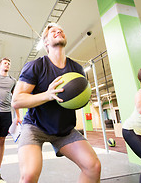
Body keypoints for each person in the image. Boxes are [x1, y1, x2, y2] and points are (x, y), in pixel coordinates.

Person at [11, 23, 101, 183]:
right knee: (29, 175)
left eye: (61, 30)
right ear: (45, 43)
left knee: (93, 166)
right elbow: (16, 100)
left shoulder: (77, 69)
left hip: (64, 130)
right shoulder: (36, 66)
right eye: (53, 31)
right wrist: (47, 95)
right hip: (34, 128)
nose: (58, 31)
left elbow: (79, 99)